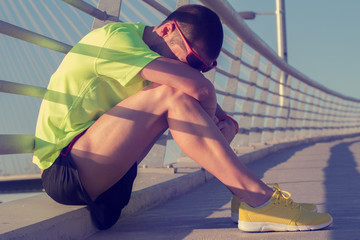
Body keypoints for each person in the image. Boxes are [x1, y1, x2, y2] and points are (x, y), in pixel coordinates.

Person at [33, 4, 332, 231]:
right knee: (173, 94)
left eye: (203, 67)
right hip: (65, 170)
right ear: (166, 30)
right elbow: (200, 89)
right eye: (191, 61)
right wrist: (210, 116)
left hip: (111, 181)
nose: (193, 69)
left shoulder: (149, 65)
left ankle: (248, 201)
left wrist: (220, 124)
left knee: (174, 93)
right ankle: (259, 198)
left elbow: (201, 93)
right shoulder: (115, 40)